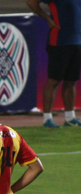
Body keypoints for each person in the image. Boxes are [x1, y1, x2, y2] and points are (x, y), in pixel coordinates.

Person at [26, 0, 81, 128]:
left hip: (77, 42)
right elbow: (31, 2)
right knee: (54, 80)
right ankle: (47, 119)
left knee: (71, 81)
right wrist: (47, 19)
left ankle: (70, 117)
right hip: (59, 41)